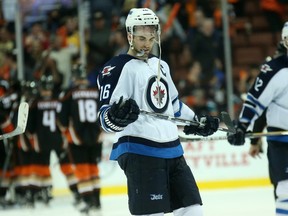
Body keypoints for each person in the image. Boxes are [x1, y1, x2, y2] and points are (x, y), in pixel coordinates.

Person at [97, 8, 219, 216]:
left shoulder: (160, 65)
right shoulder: (116, 68)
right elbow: (105, 117)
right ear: (129, 36)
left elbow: (173, 105)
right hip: (140, 151)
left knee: (193, 210)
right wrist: (116, 117)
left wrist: (196, 122)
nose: (147, 44)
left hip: (173, 151)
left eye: (151, 38)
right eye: (141, 38)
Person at [228, 21, 288, 215]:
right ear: (285, 41)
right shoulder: (273, 70)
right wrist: (243, 127)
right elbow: (255, 103)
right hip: (282, 142)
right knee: (285, 191)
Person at [57, 64, 103, 215]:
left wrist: (65, 131)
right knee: (94, 168)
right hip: (96, 136)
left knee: (82, 170)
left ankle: (87, 201)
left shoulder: (69, 93)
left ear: (74, 77)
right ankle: (97, 201)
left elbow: (62, 119)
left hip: (76, 137)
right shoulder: (96, 91)